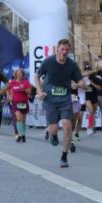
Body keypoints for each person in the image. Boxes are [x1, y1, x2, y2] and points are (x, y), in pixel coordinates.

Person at [36, 39, 83, 168]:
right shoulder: (48, 62)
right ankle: (53, 134)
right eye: (62, 49)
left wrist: (78, 84)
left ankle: (64, 156)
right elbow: (37, 76)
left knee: (67, 125)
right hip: (50, 99)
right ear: (57, 49)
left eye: (67, 50)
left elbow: (82, 82)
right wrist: (40, 91)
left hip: (65, 99)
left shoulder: (72, 65)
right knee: (54, 128)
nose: (64, 52)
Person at [7, 68, 33, 144]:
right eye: (18, 74)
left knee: (23, 120)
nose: (19, 75)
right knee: (18, 118)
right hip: (15, 103)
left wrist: (24, 89)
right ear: (15, 75)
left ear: (23, 74)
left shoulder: (26, 82)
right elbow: (6, 89)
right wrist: (9, 96)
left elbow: (29, 91)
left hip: (24, 102)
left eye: (21, 74)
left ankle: (23, 135)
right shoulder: (12, 82)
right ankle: (20, 135)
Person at [83, 60, 102, 135]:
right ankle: (89, 126)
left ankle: (92, 126)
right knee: (91, 111)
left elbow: (99, 88)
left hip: (94, 96)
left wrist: (92, 83)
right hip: (86, 97)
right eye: (86, 71)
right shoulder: (83, 78)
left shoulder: (95, 79)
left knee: (92, 113)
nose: (87, 73)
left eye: (88, 71)